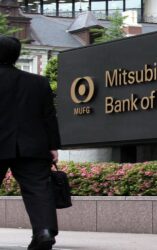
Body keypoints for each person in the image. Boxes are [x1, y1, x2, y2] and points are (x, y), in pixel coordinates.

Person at [0, 35, 61, 250]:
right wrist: (53, 146)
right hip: (33, 146)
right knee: (38, 189)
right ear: (17, 56)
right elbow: (49, 117)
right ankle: (44, 232)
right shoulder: (38, 82)